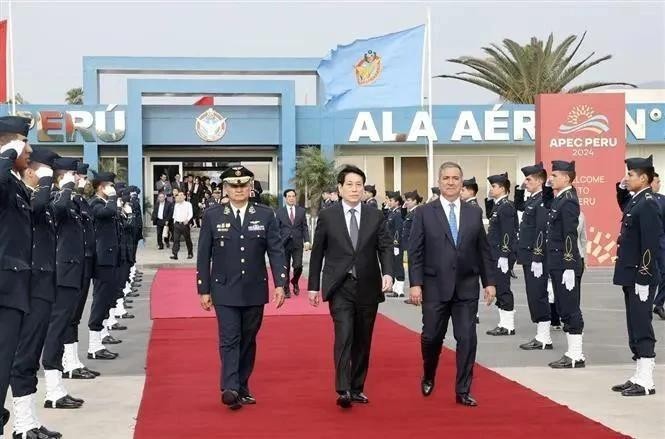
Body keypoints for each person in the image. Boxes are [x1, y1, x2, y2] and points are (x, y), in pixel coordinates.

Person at [196, 165, 286, 410]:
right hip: (224, 289)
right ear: (226, 188)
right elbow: (203, 255)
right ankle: (230, 387)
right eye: (234, 186)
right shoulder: (213, 215)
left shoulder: (265, 214)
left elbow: (276, 251)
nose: (238, 190)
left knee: (248, 338)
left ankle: (243, 386)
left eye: (243, 185)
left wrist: (280, 283)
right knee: (229, 337)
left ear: (250, 187)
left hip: (255, 289)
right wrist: (203, 289)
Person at [408, 161, 496, 407]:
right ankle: (429, 372)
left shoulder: (473, 212)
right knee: (431, 337)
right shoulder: (424, 212)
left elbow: (483, 250)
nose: (450, 182)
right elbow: (415, 251)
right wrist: (415, 284)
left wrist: (489, 282)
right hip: (434, 287)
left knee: (467, 338)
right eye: (446, 178)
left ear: (461, 181)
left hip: (466, 287)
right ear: (439, 181)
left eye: (455, 178)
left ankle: (463, 390)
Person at [308, 165, 393, 409]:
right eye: (350, 184)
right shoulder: (328, 215)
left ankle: (357, 387)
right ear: (340, 188)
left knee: (363, 339)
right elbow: (317, 253)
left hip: (368, 284)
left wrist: (388, 272)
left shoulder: (375, 215)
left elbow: (385, 247)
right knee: (344, 335)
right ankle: (343, 388)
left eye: (359, 185)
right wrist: (313, 286)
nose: (355, 189)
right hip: (340, 285)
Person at [9, 149, 63, 439]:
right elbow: (36, 209)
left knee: (30, 356)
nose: (48, 177)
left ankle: (28, 422)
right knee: (23, 355)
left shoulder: (38, 196)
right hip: (28, 285)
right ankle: (21, 424)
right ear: (29, 170)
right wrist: (43, 185)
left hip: (43, 284)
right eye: (43, 170)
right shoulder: (22, 195)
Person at [612, 155, 662, 396]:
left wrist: (644, 276)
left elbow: (650, 245)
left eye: (630, 175)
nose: (627, 178)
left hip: (641, 275)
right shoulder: (636, 201)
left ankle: (647, 380)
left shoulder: (648, 203)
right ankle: (638, 374)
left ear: (644, 178)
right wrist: (621, 188)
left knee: (642, 325)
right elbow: (624, 205)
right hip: (630, 274)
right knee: (634, 324)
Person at [0, 116, 33, 437]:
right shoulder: (4, 176)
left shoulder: (14, 182)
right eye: (26, 143)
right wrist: (7, 154)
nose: (30, 150)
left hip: (14, 287)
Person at [547, 160, 586, 369]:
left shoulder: (568, 201)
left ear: (566, 178)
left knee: (570, 308)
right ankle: (572, 352)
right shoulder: (559, 199)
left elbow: (570, 235)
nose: (550, 179)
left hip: (565, 263)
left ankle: (576, 355)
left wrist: (570, 266)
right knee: (563, 307)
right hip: (558, 262)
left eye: (554, 176)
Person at [514, 163, 554, 350]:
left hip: (536, 256)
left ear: (539, 180)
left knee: (538, 294)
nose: (525, 182)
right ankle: (541, 334)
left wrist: (538, 257)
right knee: (533, 293)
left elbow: (541, 231)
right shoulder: (533, 200)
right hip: (529, 255)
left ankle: (544, 337)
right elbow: (519, 205)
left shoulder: (542, 201)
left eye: (529, 179)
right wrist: (520, 190)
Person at [87, 171, 121, 361]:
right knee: (100, 299)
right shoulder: (96, 204)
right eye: (110, 186)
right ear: (102, 187)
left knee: (107, 298)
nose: (113, 190)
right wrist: (113, 197)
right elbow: (108, 212)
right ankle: (93, 346)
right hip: (101, 259)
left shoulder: (104, 203)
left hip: (110, 257)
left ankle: (99, 339)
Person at [485, 173, 518, 336]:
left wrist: (505, 255)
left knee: (503, 289)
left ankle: (508, 325)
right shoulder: (498, 205)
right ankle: (502, 323)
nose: (491, 189)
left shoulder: (506, 207)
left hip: (501, 255)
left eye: (494, 186)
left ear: (503, 188)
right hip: (495, 254)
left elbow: (508, 233)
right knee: (498, 287)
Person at [276, 189, 311, 298]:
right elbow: (276, 229)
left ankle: (295, 281)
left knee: (298, 266)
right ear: (285, 198)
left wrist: (307, 240)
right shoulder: (279, 212)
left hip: (297, 242)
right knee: (285, 267)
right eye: (289, 196)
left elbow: (304, 227)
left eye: (293, 196)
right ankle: (286, 289)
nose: (291, 198)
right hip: (284, 243)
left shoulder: (301, 211)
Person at [648, 172, 665, 320]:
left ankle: (658, 303)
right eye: (657, 181)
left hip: (661, 244)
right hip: (646, 246)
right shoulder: (642, 199)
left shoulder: (663, 200)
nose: (659, 184)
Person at [402, 190, 422, 305]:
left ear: (415, 201)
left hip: (414, 246)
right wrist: (404, 207)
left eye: (409, 201)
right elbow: (403, 217)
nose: (407, 203)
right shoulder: (411, 212)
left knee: (414, 271)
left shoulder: (417, 213)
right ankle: (413, 295)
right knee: (411, 271)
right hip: (409, 246)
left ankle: (417, 296)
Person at [385, 191, 405, 298]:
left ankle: (400, 290)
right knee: (393, 265)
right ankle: (396, 289)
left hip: (396, 244)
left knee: (398, 265)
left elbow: (398, 230)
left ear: (397, 202)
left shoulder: (397, 214)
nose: (389, 202)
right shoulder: (392, 213)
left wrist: (396, 243)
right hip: (391, 243)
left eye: (391, 200)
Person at [170, 191, 193, 260]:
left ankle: (190, 253)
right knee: (176, 240)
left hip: (185, 224)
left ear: (184, 197)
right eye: (178, 195)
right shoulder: (176, 205)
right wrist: (174, 222)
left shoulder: (188, 204)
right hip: (177, 224)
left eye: (181, 195)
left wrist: (187, 220)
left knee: (187, 239)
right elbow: (174, 214)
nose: (179, 196)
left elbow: (190, 214)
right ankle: (175, 254)